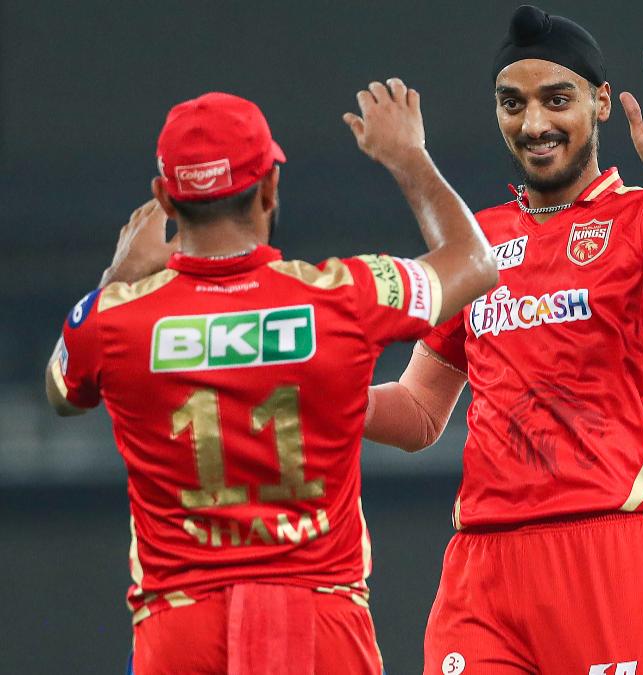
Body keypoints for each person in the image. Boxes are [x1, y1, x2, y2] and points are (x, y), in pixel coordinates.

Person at [362, 5, 643, 673]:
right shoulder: (477, 243)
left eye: (556, 100)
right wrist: (328, 393)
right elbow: (419, 414)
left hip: (605, 555)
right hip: (482, 568)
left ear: (602, 104)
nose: (534, 124)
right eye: (512, 103)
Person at [44, 83, 497, 674]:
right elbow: (475, 261)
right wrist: (407, 156)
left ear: (165, 199)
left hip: (180, 626)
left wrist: (117, 274)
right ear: (270, 187)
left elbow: (61, 391)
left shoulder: (112, 321)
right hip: (320, 621)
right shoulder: (343, 297)